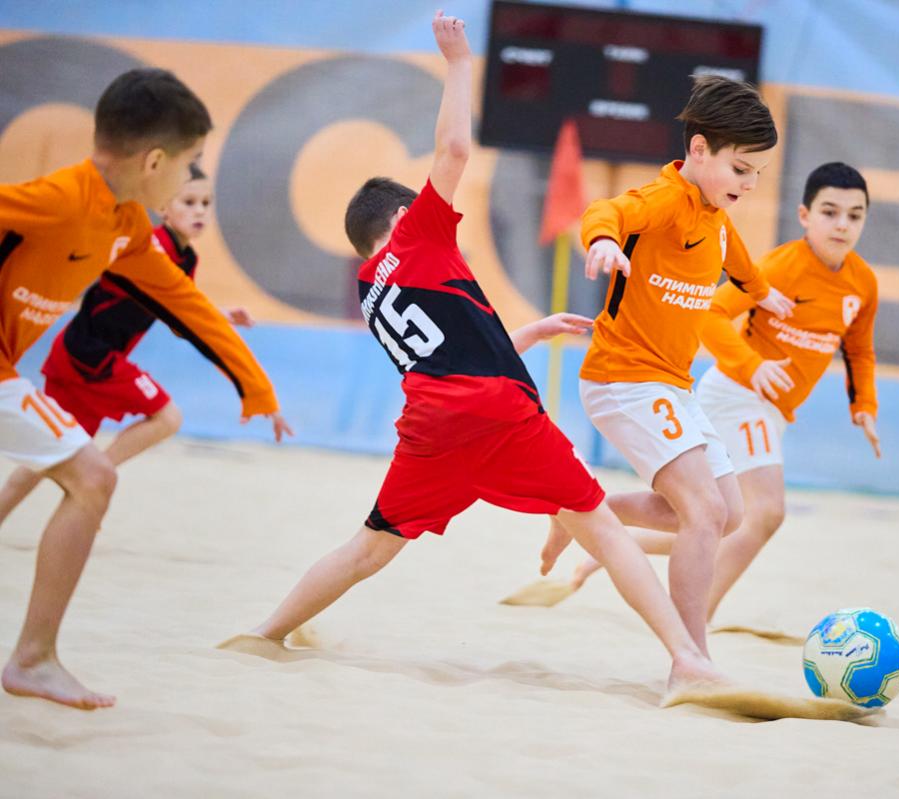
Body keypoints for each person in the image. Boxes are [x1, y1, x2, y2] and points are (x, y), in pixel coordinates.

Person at [225, 12, 721, 696]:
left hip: (430, 431)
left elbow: (445, 360)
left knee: (368, 546)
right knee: (602, 529)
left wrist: (529, 333)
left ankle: (265, 631)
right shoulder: (419, 233)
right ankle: (688, 659)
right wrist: (459, 63)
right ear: (402, 218)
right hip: (499, 415)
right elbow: (455, 149)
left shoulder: (371, 287)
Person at [0, 67, 291, 709]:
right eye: (190, 163)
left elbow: (187, 305)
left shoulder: (128, 226)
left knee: (88, 474)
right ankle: (33, 659)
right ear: (156, 161)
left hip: (7, 372)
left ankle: (32, 658)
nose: (191, 180)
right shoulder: (59, 199)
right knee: (93, 476)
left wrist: (255, 387)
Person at [537, 75, 795, 655]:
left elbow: (739, 261)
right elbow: (606, 210)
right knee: (704, 511)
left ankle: (581, 511)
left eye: (758, 172)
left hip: (671, 385)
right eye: (741, 169)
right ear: (699, 149)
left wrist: (763, 293)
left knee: (729, 514)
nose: (750, 184)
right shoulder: (667, 200)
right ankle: (692, 657)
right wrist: (603, 241)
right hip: (623, 377)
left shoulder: (716, 215)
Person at [568, 162, 881, 623]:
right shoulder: (782, 266)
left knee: (720, 520)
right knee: (766, 513)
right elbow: (713, 313)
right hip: (737, 395)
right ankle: (697, 621)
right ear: (804, 215)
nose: (842, 225)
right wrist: (753, 366)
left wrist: (864, 406)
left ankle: (615, 536)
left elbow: (859, 349)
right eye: (830, 212)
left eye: (854, 216)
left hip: (772, 410)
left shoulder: (863, 283)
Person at [0, 166, 261, 521]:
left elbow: (178, 313)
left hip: (77, 356)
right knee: (167, 417)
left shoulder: (187, 258)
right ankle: (98, 474)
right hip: (89, 355)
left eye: (206, 203)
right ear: (164, 207)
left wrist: (220, 316)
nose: (199, 211)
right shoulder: (148, 244)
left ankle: (87, 483)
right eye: (189, 202)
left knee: (42, 461)